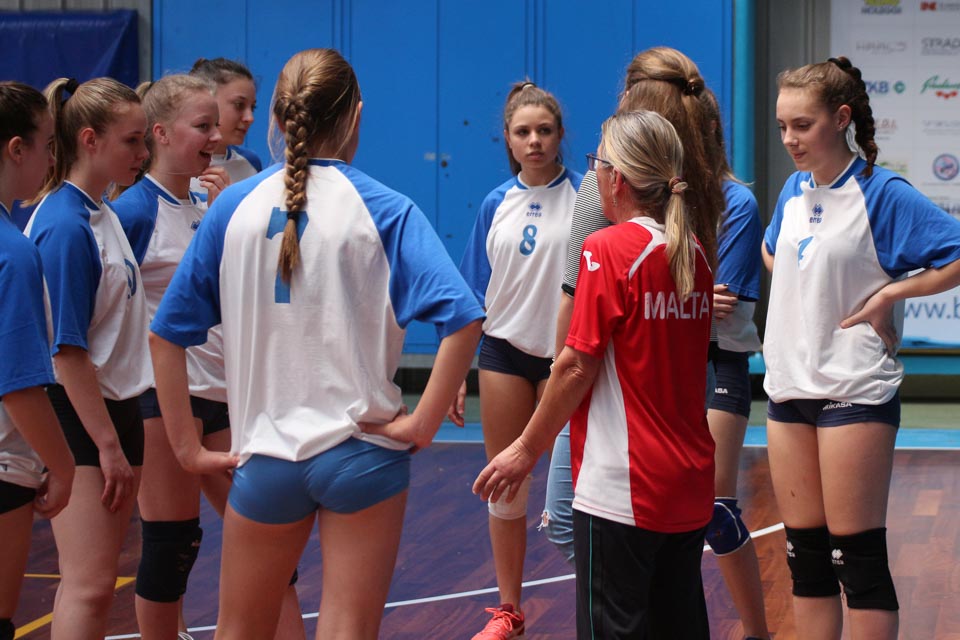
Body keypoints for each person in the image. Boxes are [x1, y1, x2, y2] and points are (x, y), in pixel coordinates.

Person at [149, 48, 483, 640]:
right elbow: (463, 318)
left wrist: (186, 448)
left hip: (265, 457)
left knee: (239, 630)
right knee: (347, 627)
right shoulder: (386, 209)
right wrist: (421, 424)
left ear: (277, 119)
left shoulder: (231, 207)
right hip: (363, 452)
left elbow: (166, 334)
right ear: (356, 116)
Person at [475, 109, 715, 639]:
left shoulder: (606, 249)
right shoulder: (692, 253)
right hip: (688, 483)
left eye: (597, 164)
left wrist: (525, 450)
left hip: (623, 489)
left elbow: (574, 365)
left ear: (616, 179)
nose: (594, 174)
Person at [764, 56, 960, 640]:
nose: (789, 139)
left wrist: (890, 293)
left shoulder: (882, 192)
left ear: (841, 118)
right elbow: (775, 252)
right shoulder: (793, 190)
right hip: (787, 388)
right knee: (805, 560)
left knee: (858, 561)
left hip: (853, 390)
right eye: (782, 126)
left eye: (803, 125)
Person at [541, 45, 723, 559]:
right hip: (687, 370)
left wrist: (557, 384)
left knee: (580, 527)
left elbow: (573, 297)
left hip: (615, 378)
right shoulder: (701, 185)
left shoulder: (604, 191)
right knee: (667, 533)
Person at [25, 76, 152, 640]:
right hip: (77, 416)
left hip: (117, 409)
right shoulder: (65, 226)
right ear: (90, 140)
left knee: (96, 583)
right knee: (89, 584)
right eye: (132, 141)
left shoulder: (103, 212)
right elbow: (67, 353)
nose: (143, 153)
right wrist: (107, 445)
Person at [456, 81, 581, 640]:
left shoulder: (584, 198)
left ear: (560, 135)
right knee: (505, 486)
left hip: (566, 361)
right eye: (523, 132)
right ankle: (508, 610)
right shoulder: (495, 204)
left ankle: (600, 602)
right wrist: (456, 374)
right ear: (507, 139)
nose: (534, 141)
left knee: (577, 494)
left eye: (544, 131)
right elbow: (473, 294)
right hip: (503, 353)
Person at [0, 81, 75, 640]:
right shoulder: (14, 252)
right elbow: (19, 386)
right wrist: (63, 466)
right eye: (48, 145)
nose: (53, 159)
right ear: (15, 149)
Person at [700, 87, 770, 640]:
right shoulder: (653, 199)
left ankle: (756, 632)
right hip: (659, 365)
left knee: (715, 509)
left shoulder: (736, 203)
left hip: (719, 361)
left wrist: (668, 297)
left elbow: (724, 305)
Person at [189, 57, 261, 192]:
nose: (250, 118)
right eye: (239, 105)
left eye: (253, 107)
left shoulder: (250, 163)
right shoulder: (173, 166)